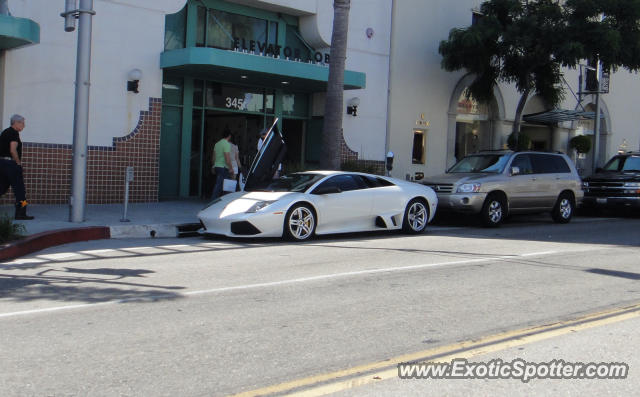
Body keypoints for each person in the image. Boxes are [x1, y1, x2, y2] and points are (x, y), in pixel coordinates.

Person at [0, 114, 34, 220]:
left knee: (1, 187)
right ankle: (21, 213)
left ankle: (21, 212)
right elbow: (12, 150)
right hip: (11, 165)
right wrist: (18, 163)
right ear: (16, 122)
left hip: (2, 164)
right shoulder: (14, 133)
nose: (24, 125)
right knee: (20, 191)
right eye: (22, 123)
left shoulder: (5, 132)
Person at [211, 130, 235, 199]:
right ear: (229, 136)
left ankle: (218, 199)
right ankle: (215, 200)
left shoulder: (217, 144)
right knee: (224, 185)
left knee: (220, 184)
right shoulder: (226, 144)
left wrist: (213, 166)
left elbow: (213, 157)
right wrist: (231, 168)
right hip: (223, 167)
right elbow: (227, 158)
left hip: (217, 167)